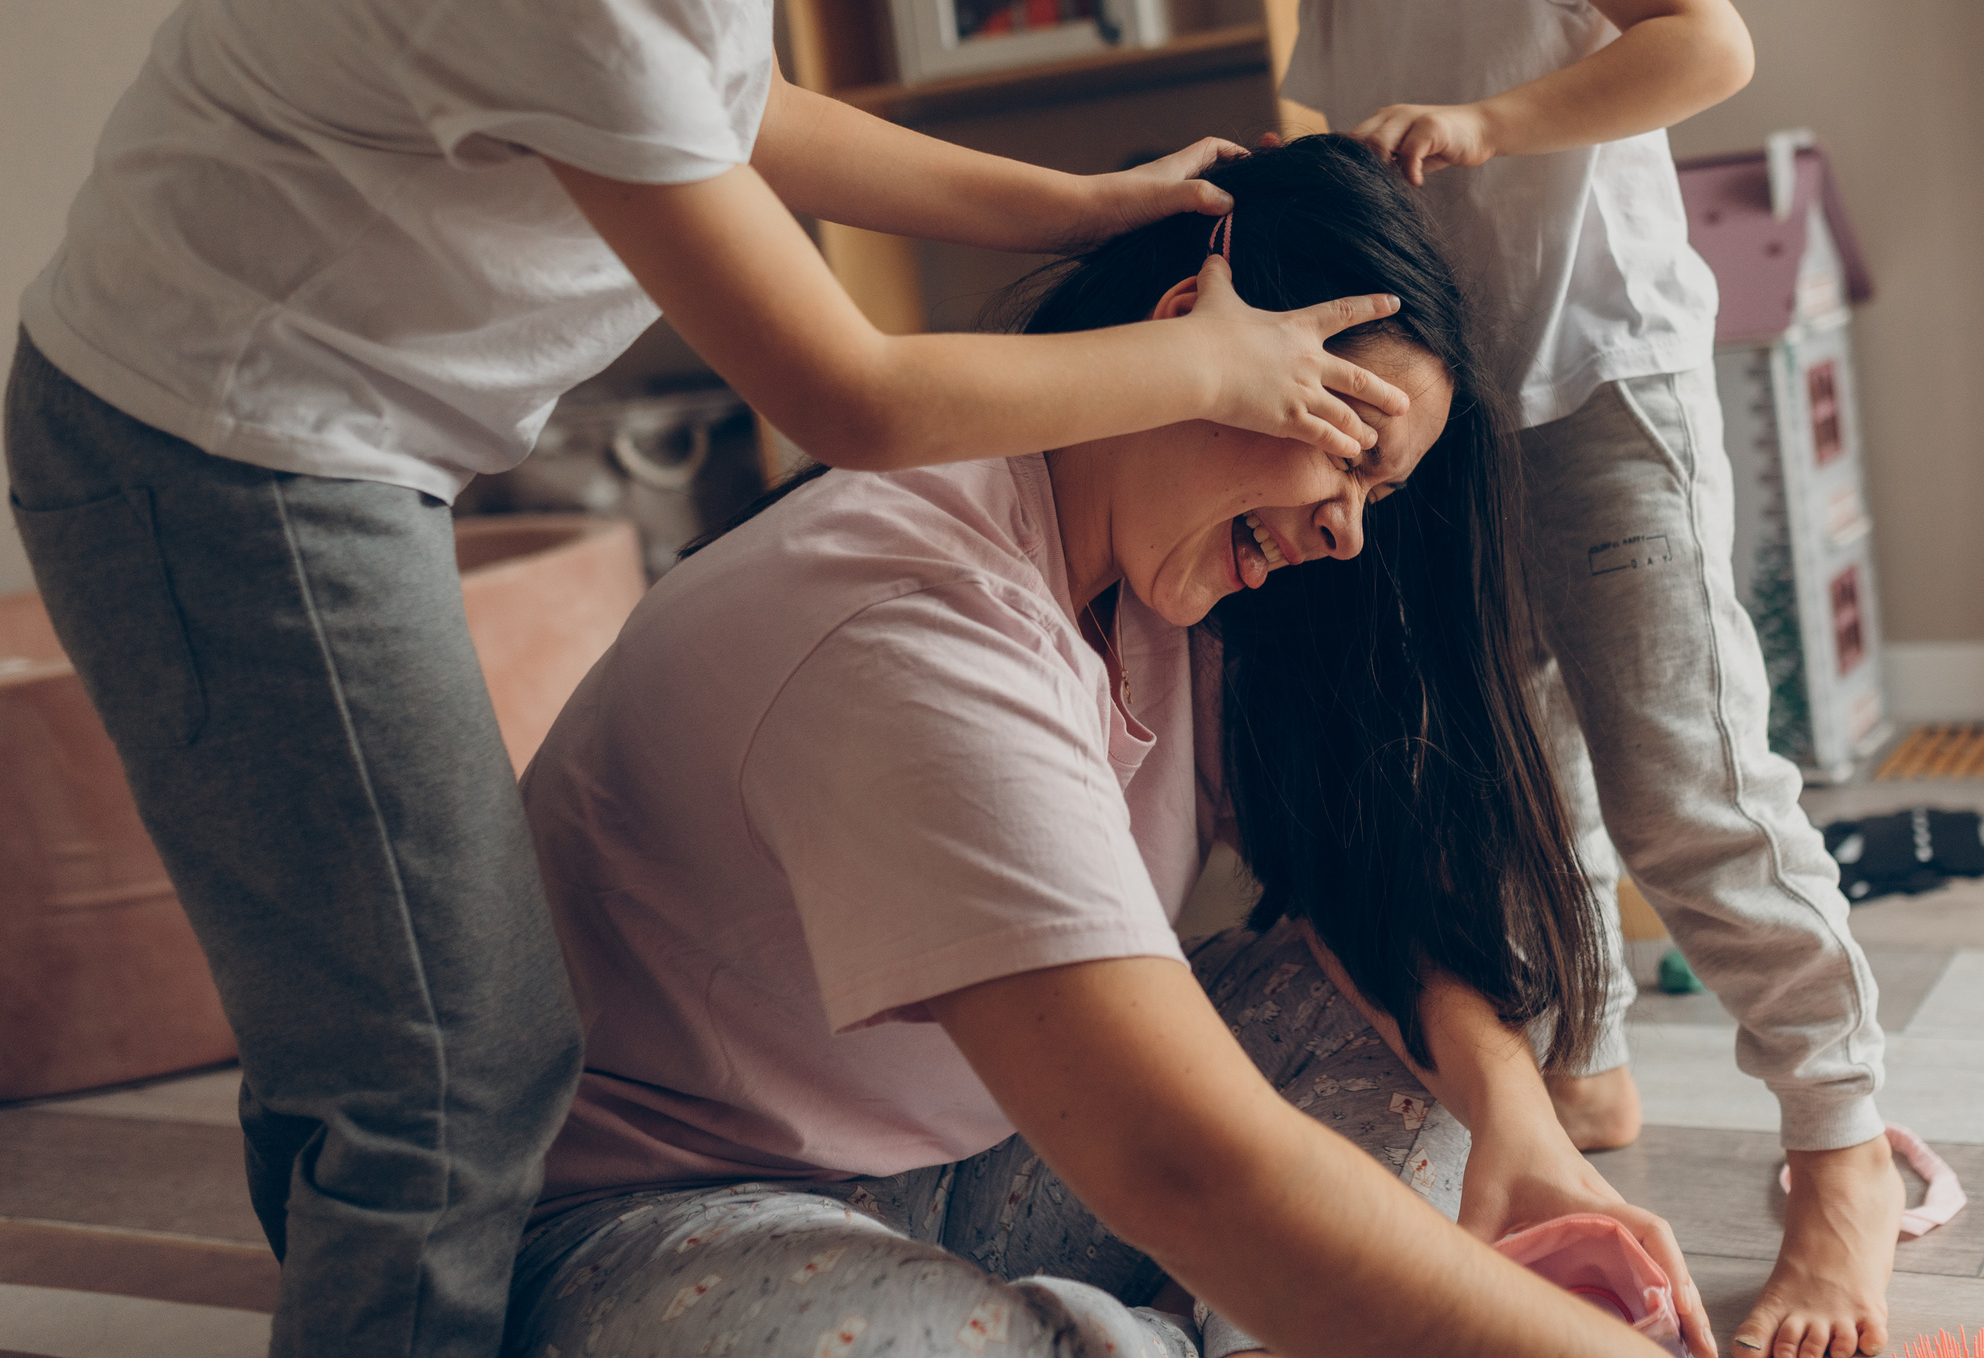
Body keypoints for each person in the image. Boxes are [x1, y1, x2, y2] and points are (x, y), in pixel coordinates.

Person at [3, 0, 1411, 1356]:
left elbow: (736, 98)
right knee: (451, 1063)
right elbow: (855, 396)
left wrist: (1068, 196)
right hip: (225, 451)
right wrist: (1203, 373)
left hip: (297, 425)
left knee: (381, 1029)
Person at [506, 136, 1714, 1358]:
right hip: (668, 1221)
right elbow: (1179, 1164)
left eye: (1381, 495)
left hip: (977, 1162)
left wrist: (1526, 1133)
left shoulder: (1159, 584)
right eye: (1351, 453)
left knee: (1432, 1023)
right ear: (1198, 331)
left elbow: (1372, 892)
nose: (1349, 533)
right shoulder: (913, 614)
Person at [1121, 0, 1901, 1357]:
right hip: (1456, 440)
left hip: (1607, 390)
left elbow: (1708, 38)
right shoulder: (1329, 13)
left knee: (1683, 774)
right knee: (1520, 757)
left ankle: (1840, 1150)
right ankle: (1584, 1057)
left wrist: (1496, 117)